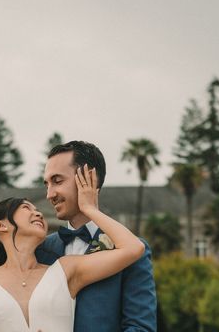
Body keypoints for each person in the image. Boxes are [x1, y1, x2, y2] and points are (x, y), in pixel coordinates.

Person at [0, 166, 145, 332]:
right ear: (1, 225)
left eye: (37, 210)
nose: (39, 213)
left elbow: (134, 247)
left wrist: (90, 209)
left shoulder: (65, 271)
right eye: (26, 208)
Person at [36, 141, 157, 331]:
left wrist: (89, 209)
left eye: (57, 181)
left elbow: (140, 327)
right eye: (47, 184)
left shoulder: (132, 251)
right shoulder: (41, 249)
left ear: (88, 178)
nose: (49, 194)